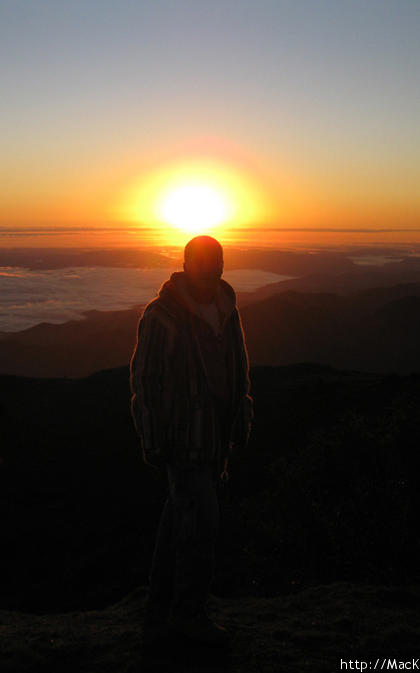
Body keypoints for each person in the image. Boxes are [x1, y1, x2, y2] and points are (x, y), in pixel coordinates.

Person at [130, 235, 252, 645]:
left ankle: (159, 610)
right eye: (202, 261)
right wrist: (152, 438)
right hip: (181, 441)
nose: (211, 268)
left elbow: (238, 365)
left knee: (179, 523)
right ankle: (187, 614)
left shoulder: (227, 309)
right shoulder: (162, 315)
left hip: (214, 438)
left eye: (216, 260)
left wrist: (241, 414)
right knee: (202, 523)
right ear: (185, 264)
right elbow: (144, 382)